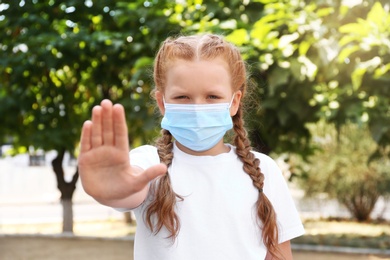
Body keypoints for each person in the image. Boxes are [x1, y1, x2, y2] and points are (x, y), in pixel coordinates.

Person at [78, 34, 305, 260]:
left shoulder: (264, 169)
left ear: (234, 102)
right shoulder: (149, 164)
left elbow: (278, 254)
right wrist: (114, 188)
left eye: (212, 96)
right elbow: (129, 187)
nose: (197, 108)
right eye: (183, 97)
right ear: (162, 103)